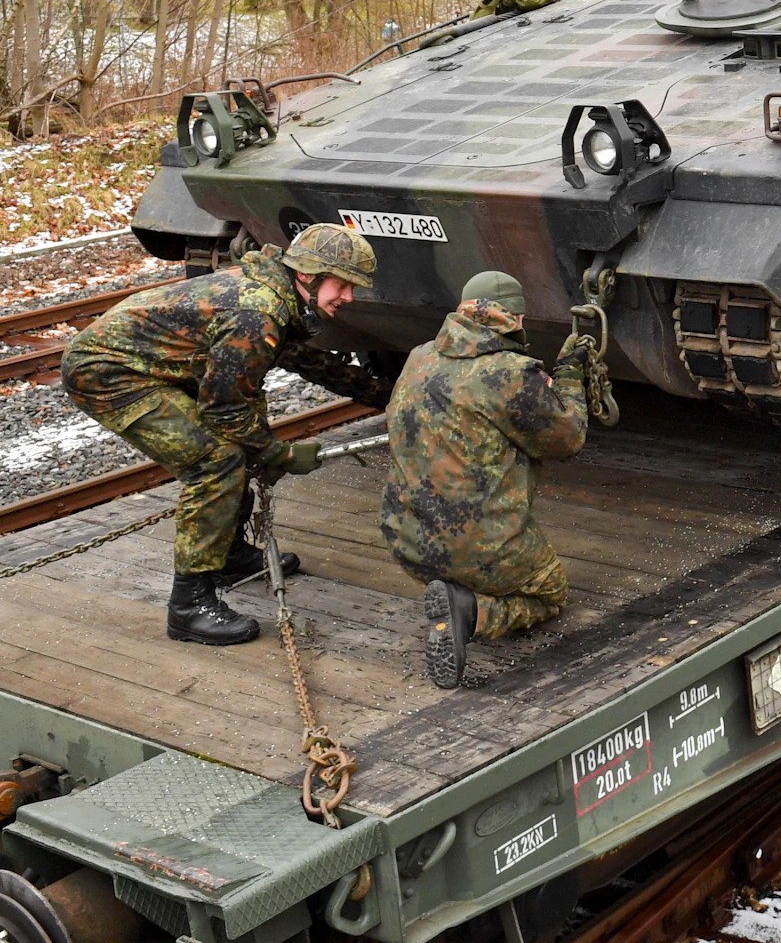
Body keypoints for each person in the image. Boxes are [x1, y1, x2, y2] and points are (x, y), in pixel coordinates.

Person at [61, 224, 378, 645]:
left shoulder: (276, 294)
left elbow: (309, 363)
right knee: (216, 461)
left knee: (237, 446)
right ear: (308, 275)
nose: (349, 297)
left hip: (151, 365)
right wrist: (279, 454)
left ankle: (227, 555)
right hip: (107, 373)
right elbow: (224, 408)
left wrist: (389, 395)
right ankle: (190, 606)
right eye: (343, 284)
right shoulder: (258, 311)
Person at [379, 271, 590, 688]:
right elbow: (568, 438)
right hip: (483, 547)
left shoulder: (418, 356)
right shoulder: (510, 372)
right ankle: (471, 611)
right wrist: (569, 375)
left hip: (407, 540)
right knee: (549, 593)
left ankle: (456, 587)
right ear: (517, 318)